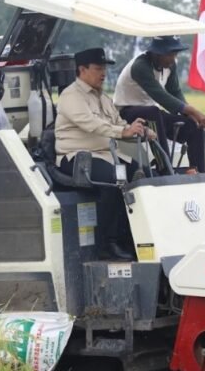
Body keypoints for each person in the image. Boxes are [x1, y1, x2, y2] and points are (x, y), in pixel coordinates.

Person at [55, 47, 155, 260]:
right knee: (114, 181)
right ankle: (107, 244)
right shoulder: (71, 96)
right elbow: (92, 124)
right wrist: (123, 131)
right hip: (76, 157)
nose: (103, 73)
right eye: (98, 68)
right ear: (82, 69)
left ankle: (134, 237)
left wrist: (139, 131)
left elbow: (119, 124)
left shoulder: (103, 97)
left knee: (144, 173)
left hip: (106, 155)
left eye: (105, 68)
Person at [113, 35, 205, 173]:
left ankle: (197, 171)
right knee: (153, 112)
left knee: (194, 126)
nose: (173, 58)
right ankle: (165, 168)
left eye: (175, 54)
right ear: (157, 53)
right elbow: (161, 97)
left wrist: (190, 115)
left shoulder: (170, 65)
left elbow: (175, 91)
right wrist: (194, 111)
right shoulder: (140, 66)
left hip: (151, 113)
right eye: (169, 54)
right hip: (126, 114)